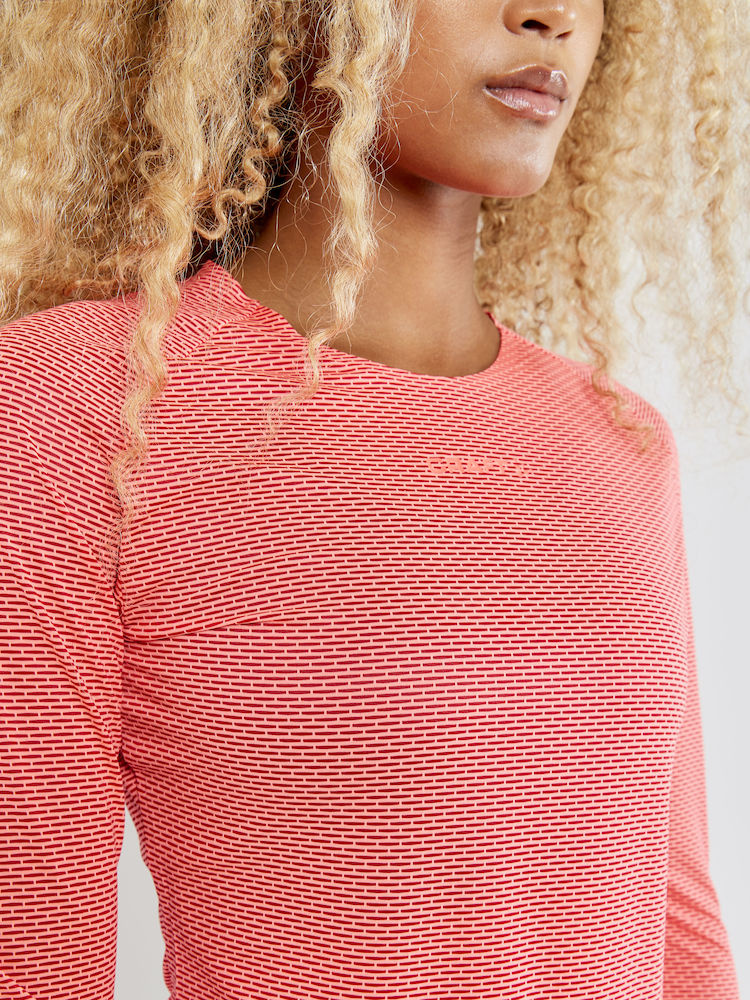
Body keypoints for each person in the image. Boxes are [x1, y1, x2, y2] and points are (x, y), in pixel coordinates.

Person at [0, 1, 746, 998]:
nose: (554, 16)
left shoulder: (618, 443)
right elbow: (33, 948)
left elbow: (680, 931)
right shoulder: (85, 404)